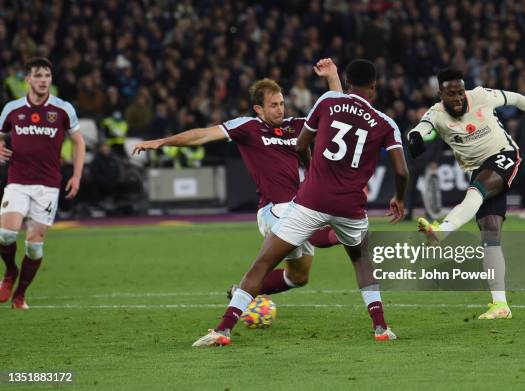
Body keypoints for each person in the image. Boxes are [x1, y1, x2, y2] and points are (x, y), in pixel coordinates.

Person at [193, 59, 409, 347]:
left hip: (312, 200)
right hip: (351, 207)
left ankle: (223, 329)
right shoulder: (386, 123)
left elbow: (300, 144)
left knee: (264, 262)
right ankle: (381, 326)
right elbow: (402, 170)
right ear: (374, 87)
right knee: (360, 259)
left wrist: (311, 172)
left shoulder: (328, 101)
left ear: (346, 83)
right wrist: (399, 198)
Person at [133, 59, 342, 300]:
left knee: (298, 277)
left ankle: (239, 291)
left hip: (296, 208)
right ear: (258, 109)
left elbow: (335, 111)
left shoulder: (294, 127)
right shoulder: (248, 127)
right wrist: (162, 141)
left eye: (282, 104)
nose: (280, 109)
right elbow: (202, 135)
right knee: (316, 230)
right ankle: (347, 235)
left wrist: (332, 76)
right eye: (273, 105)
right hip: (274, 211)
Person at [408, 68, 525, 320]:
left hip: (505, 155)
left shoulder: (481, 95)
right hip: (479, 169)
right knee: (490, 235)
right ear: (440, 95)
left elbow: (516, 98)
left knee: (476, 191)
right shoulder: (436, 114)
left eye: (460, 92)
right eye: (452, 94)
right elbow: (421, 128)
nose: (459, 98)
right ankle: (501, 305)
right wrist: (415, 137)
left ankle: (443, 229)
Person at [0, 57, 86, 309]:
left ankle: (20, 295)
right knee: (5, 234)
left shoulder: (62, 109)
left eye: (47, 76)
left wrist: (77, 175)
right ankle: (10, 272)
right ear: (28, 79)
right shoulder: (12, 109)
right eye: (38, 75)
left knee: (34, 246)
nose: (43, 80)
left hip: (48, 185)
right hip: (17, 181)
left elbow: (79, 141)